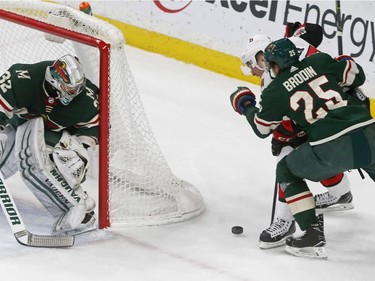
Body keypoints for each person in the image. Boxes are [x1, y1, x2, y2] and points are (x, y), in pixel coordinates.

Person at [230, 37, 371, 259]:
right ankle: (339, 194)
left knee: (287, 168)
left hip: (329, 143)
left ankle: (303, 228)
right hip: (367, 129)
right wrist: (342, 61)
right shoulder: (319, 60)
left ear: (273, 64)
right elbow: (358, 75)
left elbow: (262, 128)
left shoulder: (275, 89)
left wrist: (245, 104)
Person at [0, 54, 99, 234]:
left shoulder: (86, 100)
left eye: (77, 87)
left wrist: (80, 151)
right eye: (70, 89)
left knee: (48, 160)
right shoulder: (22, 78)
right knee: (5, 158)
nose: (75, 92)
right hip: (16, 127)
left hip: (53, 138)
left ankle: (78, 210)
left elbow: (94, 127)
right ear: (55, 82)